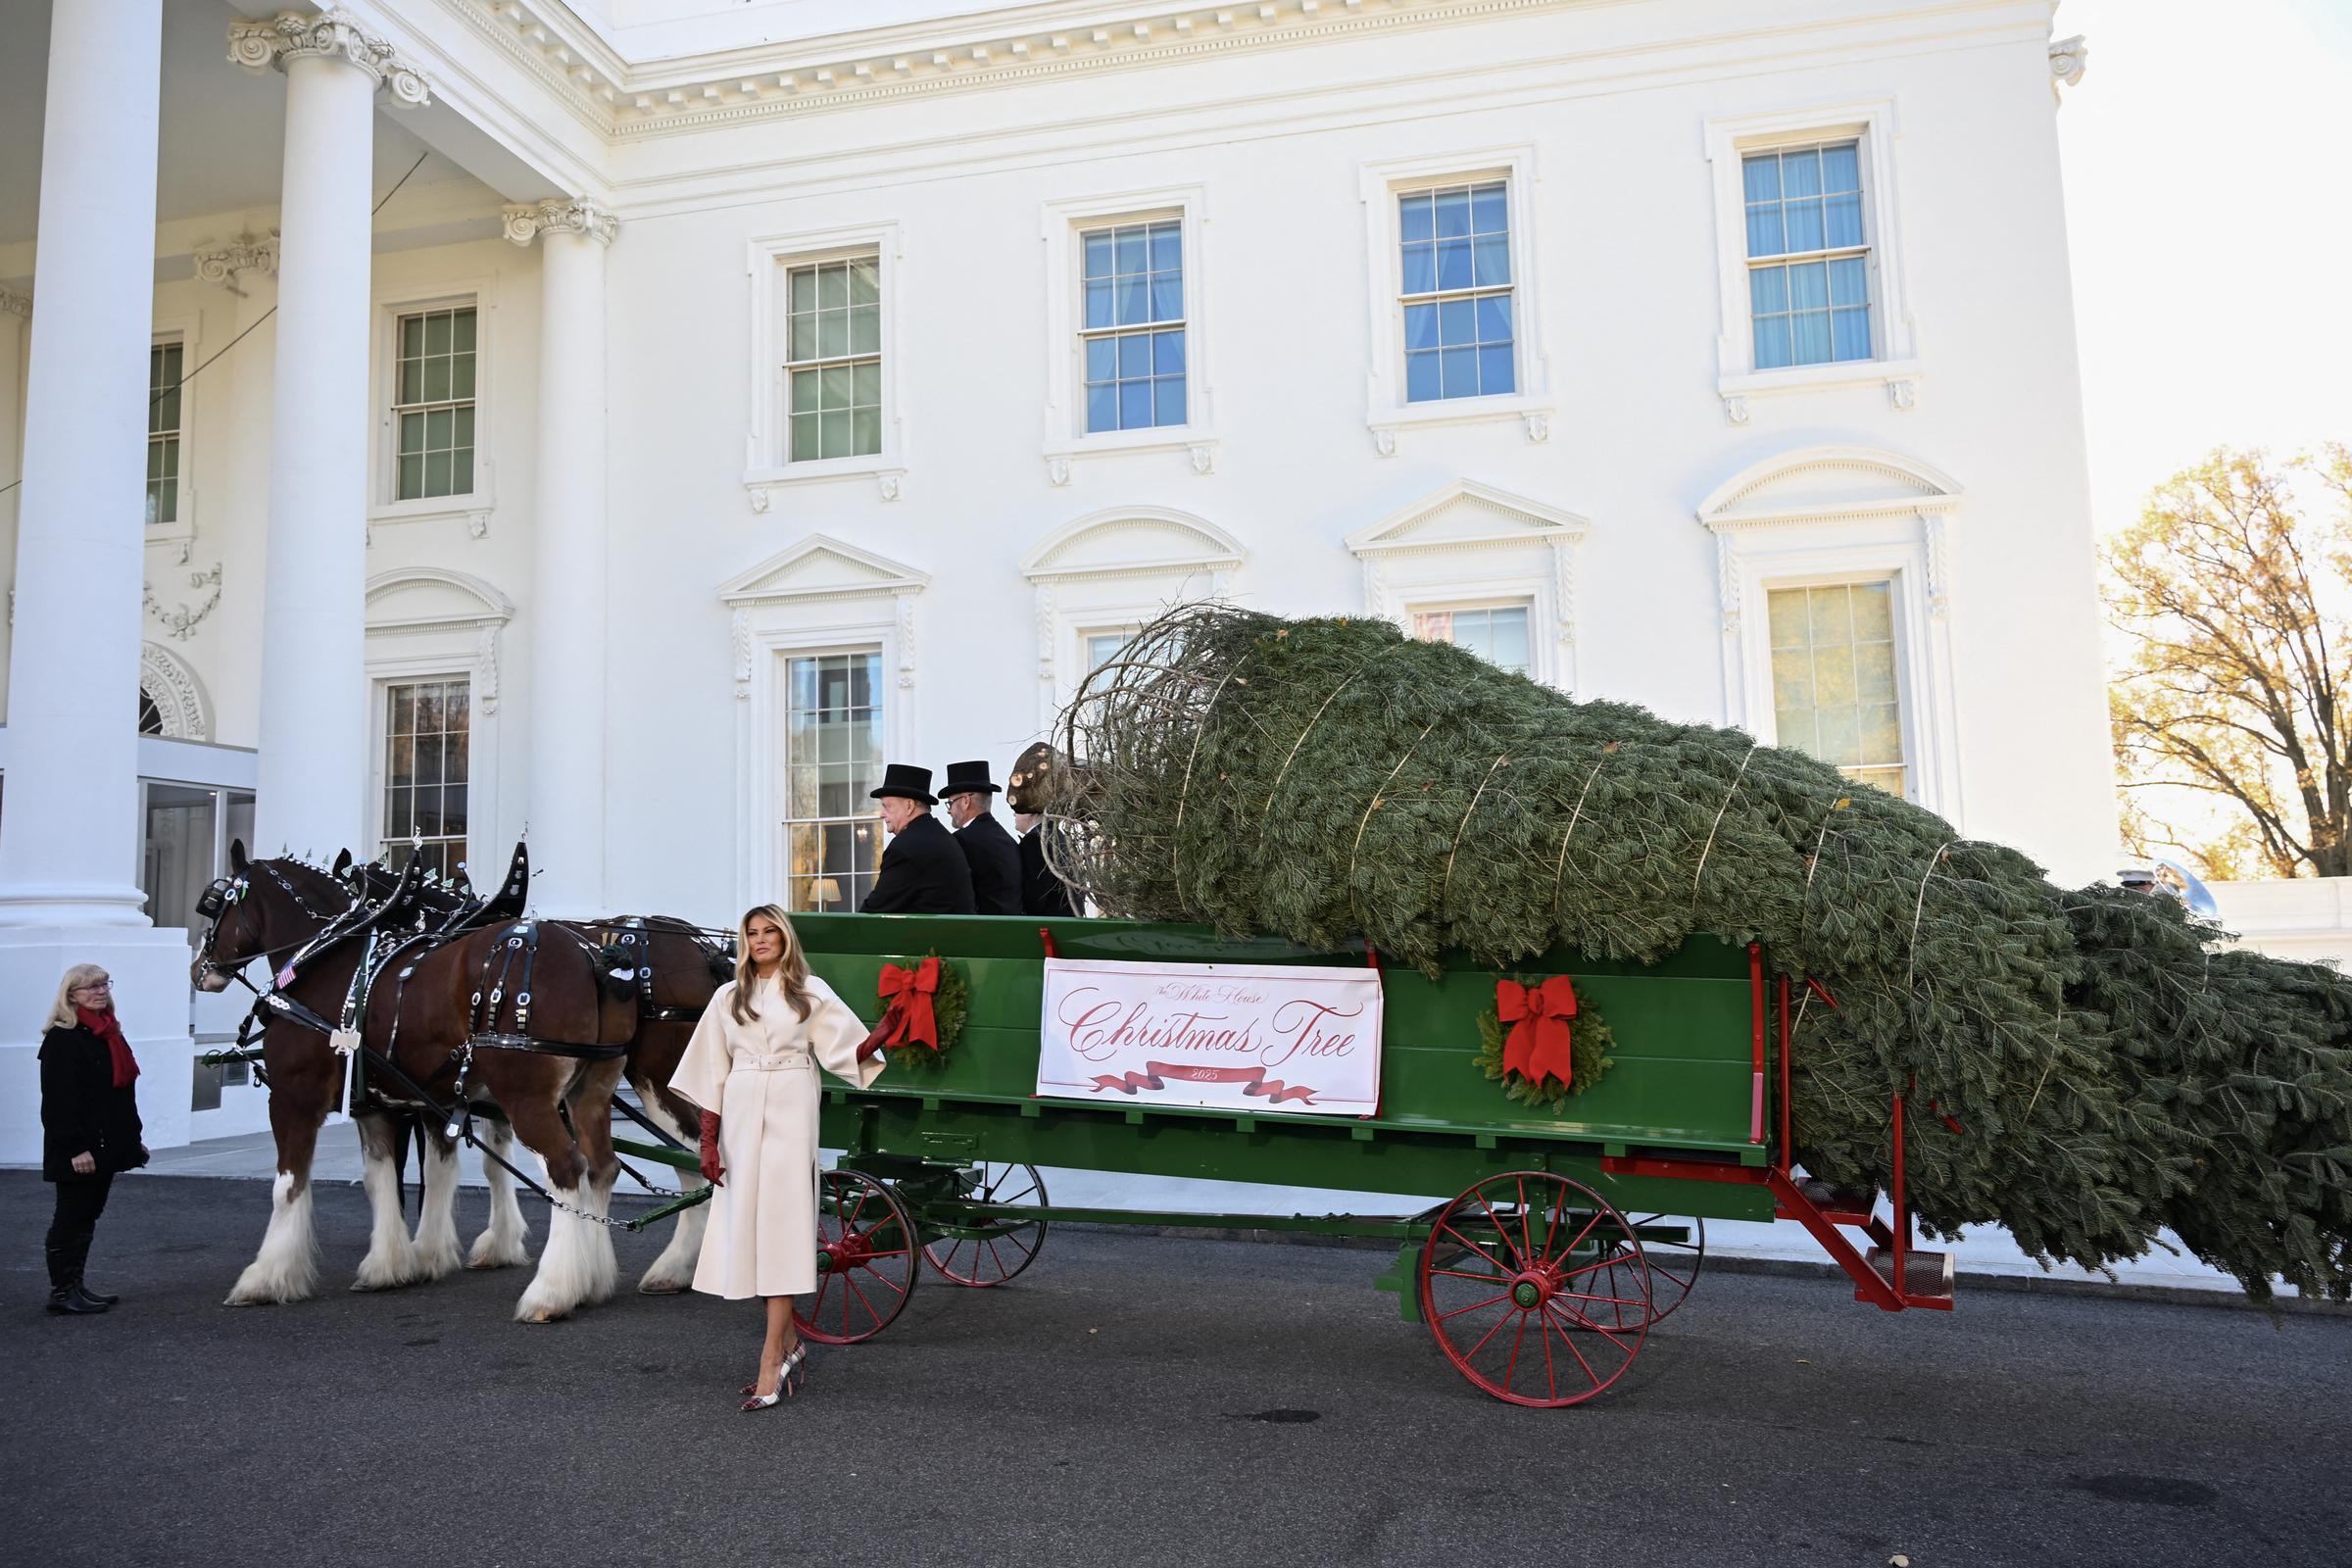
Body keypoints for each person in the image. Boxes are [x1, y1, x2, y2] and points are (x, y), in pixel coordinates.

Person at [669, 906, 887, 1408]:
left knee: (784, 1223)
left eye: (769, 932)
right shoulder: (728, 996)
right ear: (744, 942)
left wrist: (883, 1034)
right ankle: (789, 1345)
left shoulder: (809, 991)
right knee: (749, 1222)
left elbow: (846, 1051)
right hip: (741, 1102)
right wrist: (707, 1139)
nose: (761, 940)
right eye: (752, 934)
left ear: (785, 938)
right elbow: (710, 1070)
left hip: (792, 1099)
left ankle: (772, 1356)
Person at [38, 964, 147, 1316]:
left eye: (103, 985)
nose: (99, 991)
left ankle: (76, 1286)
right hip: (79, 1149)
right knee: (70, 1217)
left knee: (88, 1216)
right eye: (89, 987)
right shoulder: (63, 1038)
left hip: (105, 1145)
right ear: (71, 996)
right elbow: (59, 1102)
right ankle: (62, 1292)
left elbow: (120, 1098)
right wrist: (75, 1149)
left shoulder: (108, 1033)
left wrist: (133, 1141)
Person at [859, 762, 976, 915]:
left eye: (887, 806)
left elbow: (874, 911)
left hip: (930, 937)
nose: (882, 814)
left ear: (909, 806)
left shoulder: (905, 848)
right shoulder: (942, 836)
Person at [940, 760, 1021, 915]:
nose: (949, 811)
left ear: (965, 801)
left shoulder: (961, 841)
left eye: (950, 803)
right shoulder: (1008, 840)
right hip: (1011, 930)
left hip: (979, 931)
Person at [1007, 742, 1079, 918]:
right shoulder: (1058, 836)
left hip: (1050, 924)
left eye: (1018, 811)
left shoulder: (1035, 841)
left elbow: (1035, 892)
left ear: (1031, 811)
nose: (1015, 815)